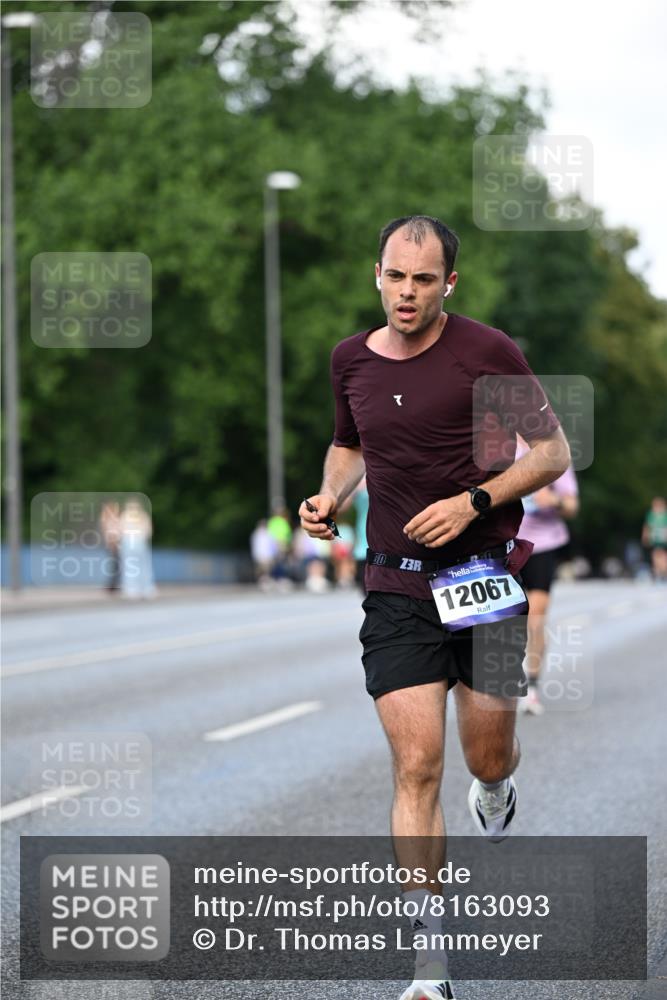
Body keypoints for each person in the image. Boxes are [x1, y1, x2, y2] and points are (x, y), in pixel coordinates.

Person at [299, 216, 570, 1000]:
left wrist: (473, 501)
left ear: (448, 282)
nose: (407, 292)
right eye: (395, 276)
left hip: (482, 579)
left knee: (486, 756)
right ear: (376, 275)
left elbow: (552, 452)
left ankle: (495, 788)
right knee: (416, 765)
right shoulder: (349, 359)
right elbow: (349, 443)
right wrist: (328, 494)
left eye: (424, 279)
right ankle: (429, 961)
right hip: (396, 587)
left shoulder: (488, 351)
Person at [515, 438, 579, 715]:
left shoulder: (553, 450)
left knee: (535, 616)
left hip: (542, 543)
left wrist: (552, 500)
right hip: (504, 543)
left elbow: (572, 506)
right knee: (504, 619)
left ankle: (531, 686)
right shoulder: (495, 447)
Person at [119, 498, 156, 599]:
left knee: (134, 566)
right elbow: (148, 531)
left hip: (133, 542)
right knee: (140, 566)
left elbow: (120, 530)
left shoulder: (128, 516)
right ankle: (143, 589)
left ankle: (137, 589)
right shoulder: (141, 516)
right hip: (136, 542)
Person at [641, 496, 667, 582]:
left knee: (663, 556)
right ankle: (659, 571)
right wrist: (645, 536)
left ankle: (663, 571)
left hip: (664, 539)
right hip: (655, 539)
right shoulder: (651, 515)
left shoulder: (665, 515)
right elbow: (647, 526)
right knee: (655, 555)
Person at [99, 500, 121, 592]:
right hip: (113, 545)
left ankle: (113, 585)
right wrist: (113, 543)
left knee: (116, 566)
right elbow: (110, 535)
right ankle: (112, 585)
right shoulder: (108, 521)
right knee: (115, 566)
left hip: (116, 544)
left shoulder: (111, 520)